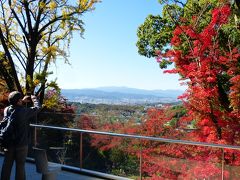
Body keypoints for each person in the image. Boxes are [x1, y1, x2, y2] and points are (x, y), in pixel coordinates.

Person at [1, 91, 41, 180]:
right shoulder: (23, 111)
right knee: (20, 167)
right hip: (21, 145)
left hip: (8, 143)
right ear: (18, 101)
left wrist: (21, 101)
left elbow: (15, 109)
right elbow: (37, 108)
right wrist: (34, 98)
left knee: (6, 166)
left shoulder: (6, 110)